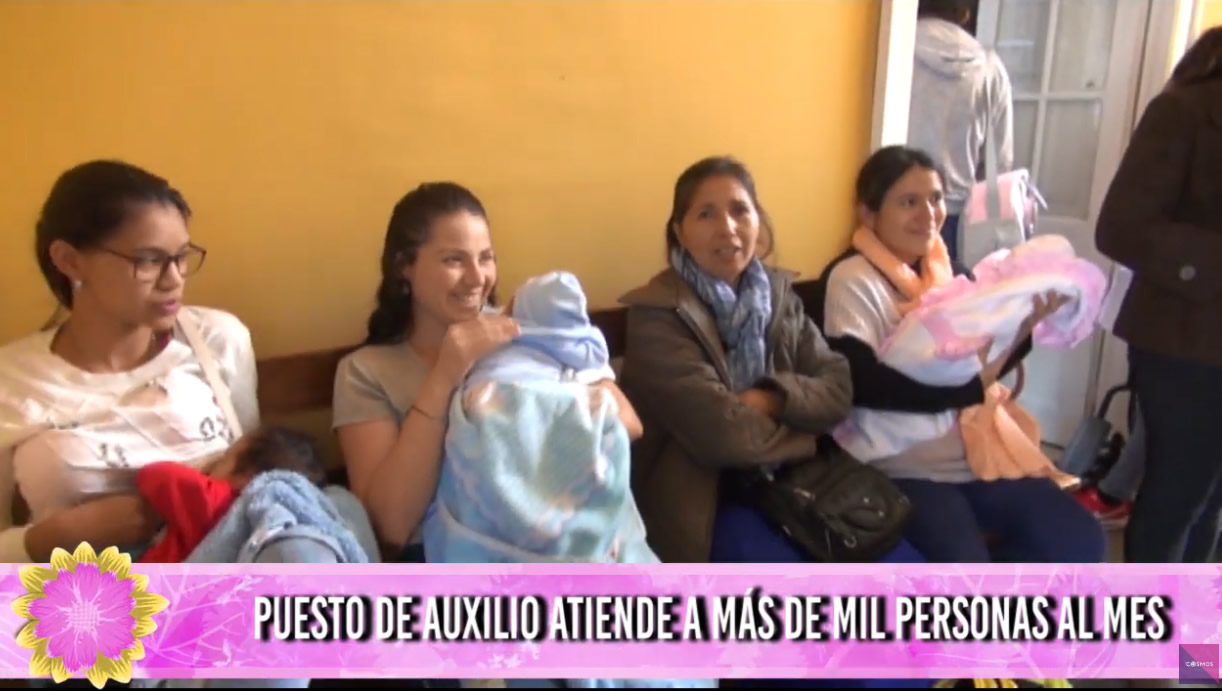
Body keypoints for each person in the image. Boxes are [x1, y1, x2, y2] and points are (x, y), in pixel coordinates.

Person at [0, 160, 374, 688]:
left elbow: (254, 472)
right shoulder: (11, 382)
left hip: (226, 575)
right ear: (69, 260)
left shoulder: (216, 340)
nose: (174, 279)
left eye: (181, 257)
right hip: (93, 598)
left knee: (306, 541)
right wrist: (56, 536)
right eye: (149, 260)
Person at [816, 146, 1105, 564]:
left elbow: (983, 365)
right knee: (964, 566)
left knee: (1080, 539)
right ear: (868, 212)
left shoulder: (950, 274)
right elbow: (861, 383)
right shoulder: (850, 278)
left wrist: (1025, 325)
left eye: (935, 199)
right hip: (896, 464)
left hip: (970, 453)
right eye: (908, 202)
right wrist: (964, 392)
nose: (928, 214)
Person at [332, 182, 521, 561]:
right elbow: (390, 527)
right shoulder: (363, 373)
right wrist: (445, 375)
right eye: (454, 260)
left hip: (538, 544)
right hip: (438, 563)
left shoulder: (521, 335)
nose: (477, 278)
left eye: (485, 258)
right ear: (404, 266)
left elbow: (623, 421)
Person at [1094, 27, 1222, 563]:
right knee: (1177, 499)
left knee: (1210, 504)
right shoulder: (1185, 109)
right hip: (1183, 343)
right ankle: (1158, 615)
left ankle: (1196, 619)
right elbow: (1121, 227)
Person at [908, 0, 1014, 262]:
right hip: (956, 217)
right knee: (950, 286)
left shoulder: (893, 47)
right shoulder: (990, 68)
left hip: (893, 210)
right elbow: (999, 163)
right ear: (965, 13)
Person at [138, 425, 326, 563]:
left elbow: (156, 475)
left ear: (245, 477)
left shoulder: (218, 500)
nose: (213, 465)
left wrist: (200, 467)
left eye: (223, 458)